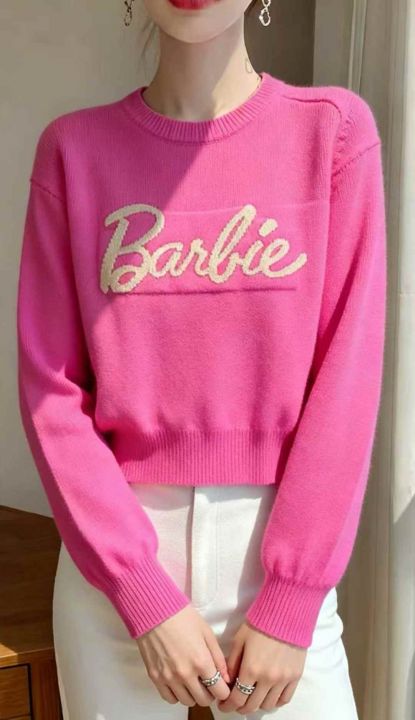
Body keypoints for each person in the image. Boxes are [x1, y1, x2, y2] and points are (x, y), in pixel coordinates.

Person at [16, 0, 387, 717]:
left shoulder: (333, 134)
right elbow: (50, 389)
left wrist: (291, 598)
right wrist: (139, 592)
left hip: (278, 561)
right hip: (114, 578)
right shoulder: (73, 151)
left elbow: (348, 379)